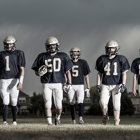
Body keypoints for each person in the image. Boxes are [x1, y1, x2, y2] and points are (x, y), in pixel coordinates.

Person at [31, 36, 73, 125]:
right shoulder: (42, 56)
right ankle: (49, 123)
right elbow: (36, 71)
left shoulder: (63, 56)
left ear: (57, 45)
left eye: (53, 45)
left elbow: (67, 72)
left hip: (58, 83)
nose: (52, 47)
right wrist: (39, 73)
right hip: (46, 83)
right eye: (50, 46)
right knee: (47, 103)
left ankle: (57, 118)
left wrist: (69, 83)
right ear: (47, 46)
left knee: (59, 105)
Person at [95, 40, 130, 126]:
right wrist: (98, 84)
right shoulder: (102, 59)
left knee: (116, 105)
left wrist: (123, 84)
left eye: (113, 48)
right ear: (106, 49)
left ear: (116, 49)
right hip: (105, 84)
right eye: (109, 48)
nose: (111, 50)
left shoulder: (121, 58)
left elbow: (124, 73)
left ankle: (116, 120)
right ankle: (105, 116)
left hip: (117, 84)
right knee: (102, 102)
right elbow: (99, 73)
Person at [0, 35, 25, 125]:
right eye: (7, 44)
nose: (8, 46)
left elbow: (22, 69)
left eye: (10, 44)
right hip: (3, 79)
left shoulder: (19, 53)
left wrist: (21, 82)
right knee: (5, 101)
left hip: (14, 79)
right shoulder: (1, 54)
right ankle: (5, 121)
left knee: (14, 101)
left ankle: (14, 121)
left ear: (14, 44)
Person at [67, 47, 90, 124]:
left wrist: (88, 87)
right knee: (71, 102)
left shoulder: (83, 62)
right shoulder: (68, 62)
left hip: (80, 85)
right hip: (71, 85)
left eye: (76, 52)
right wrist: (65, 84)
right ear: (71, 53)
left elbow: (86, 76)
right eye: (73, 52)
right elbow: (65, 74)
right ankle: (73, 120)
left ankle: (80, 119)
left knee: (80, 101)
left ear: (79, 53)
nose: (75, 54)